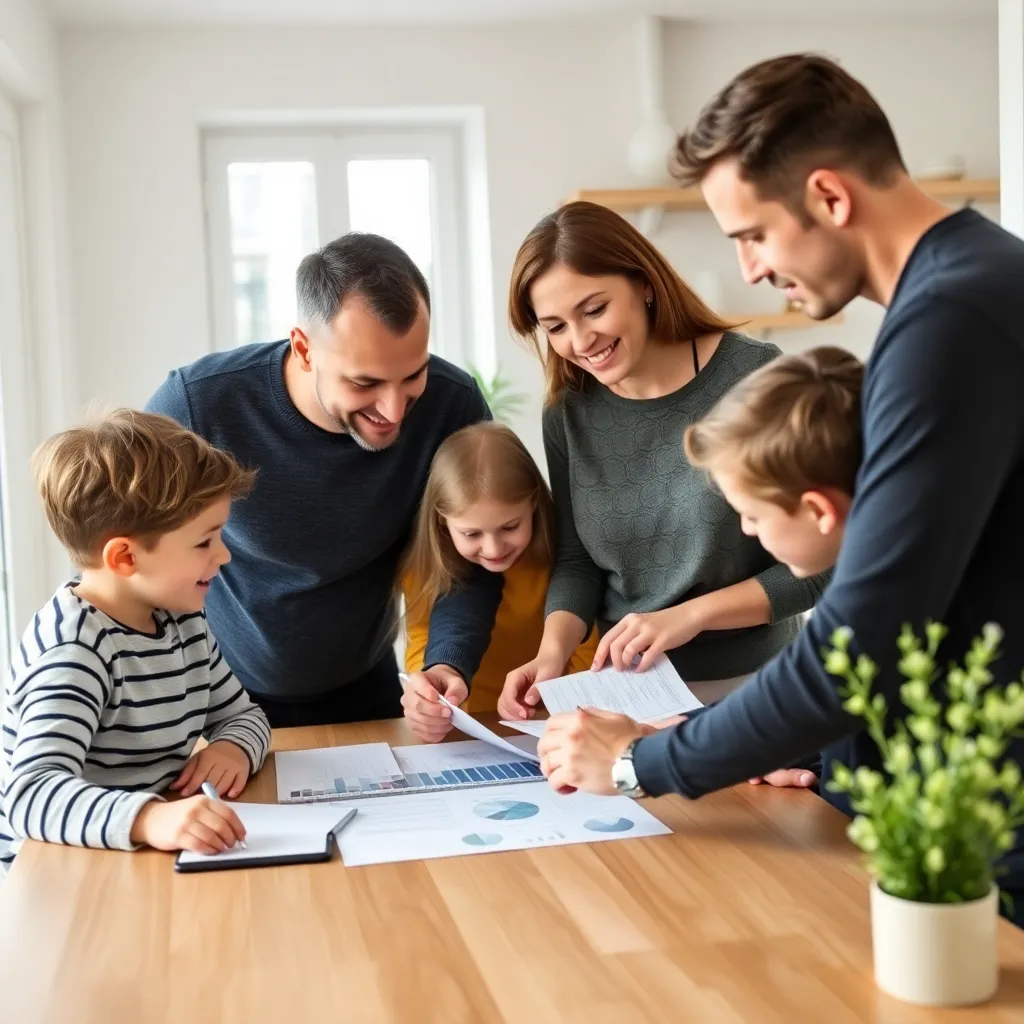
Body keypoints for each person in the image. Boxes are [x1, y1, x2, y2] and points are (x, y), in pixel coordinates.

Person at [533, 53, 1024, 925]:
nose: (751, 270)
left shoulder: (949, 323)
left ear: (831, 199)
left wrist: (643, 763)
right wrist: (833, 751)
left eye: (752, 235)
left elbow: (863, 631)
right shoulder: (974, 287)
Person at [147, 233, 502, 729]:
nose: (394, 410)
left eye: (413, 375)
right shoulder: (197, 406)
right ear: (304, 348)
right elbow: (135, 565)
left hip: (368, 687)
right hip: (217, 702)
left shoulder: (452, 404)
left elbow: (472, 558)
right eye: (365, 383)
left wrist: (447, 660)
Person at [499, 199, 829, 721]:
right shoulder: (568, 411)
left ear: (644, 283)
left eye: (594, 309)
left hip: (760, 694)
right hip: (631, 703)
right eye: (555, 327)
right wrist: (551, 654)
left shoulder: (756, 379)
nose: (581, 342)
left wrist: (690, 617)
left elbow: (820, 567)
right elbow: (577, 560)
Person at [0, 410, 272, 878]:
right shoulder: (75, 653)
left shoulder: (182, 621)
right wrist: (150, 818)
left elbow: (244, 714)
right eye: (205, 541)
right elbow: (30, 795)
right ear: (125, 557)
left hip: (135, 853)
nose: (224, 555)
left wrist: (232, 748)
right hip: (56, 876)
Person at [400, 422, 597, 737]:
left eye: (510, 527)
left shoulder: (566, 563)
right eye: (471, 533)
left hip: (551, 719)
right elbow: (422, 640)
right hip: (469, 722)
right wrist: (431, 702)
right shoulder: (425, 568)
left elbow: (584, 648)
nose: (493, 549)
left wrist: (549, 707)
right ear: (442, 519)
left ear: (533, 502)